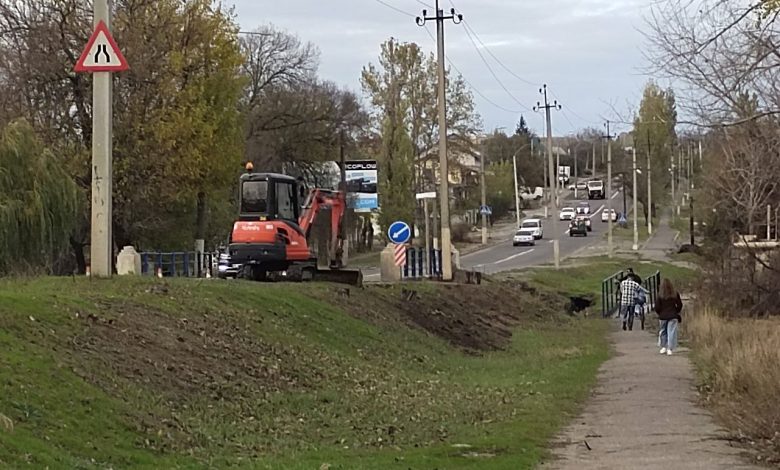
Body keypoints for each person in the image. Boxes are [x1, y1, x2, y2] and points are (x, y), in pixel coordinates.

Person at [655, 278, 683, 356]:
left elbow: (657, 306)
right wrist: (676, 311)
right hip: (673, 315)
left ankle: (663, 346)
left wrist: (659, 313)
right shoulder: (675, 294)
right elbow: (680, 304)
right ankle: (670, 348)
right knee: (671, 332)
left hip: (663, 316)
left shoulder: (660, 295)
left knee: (663, 331)